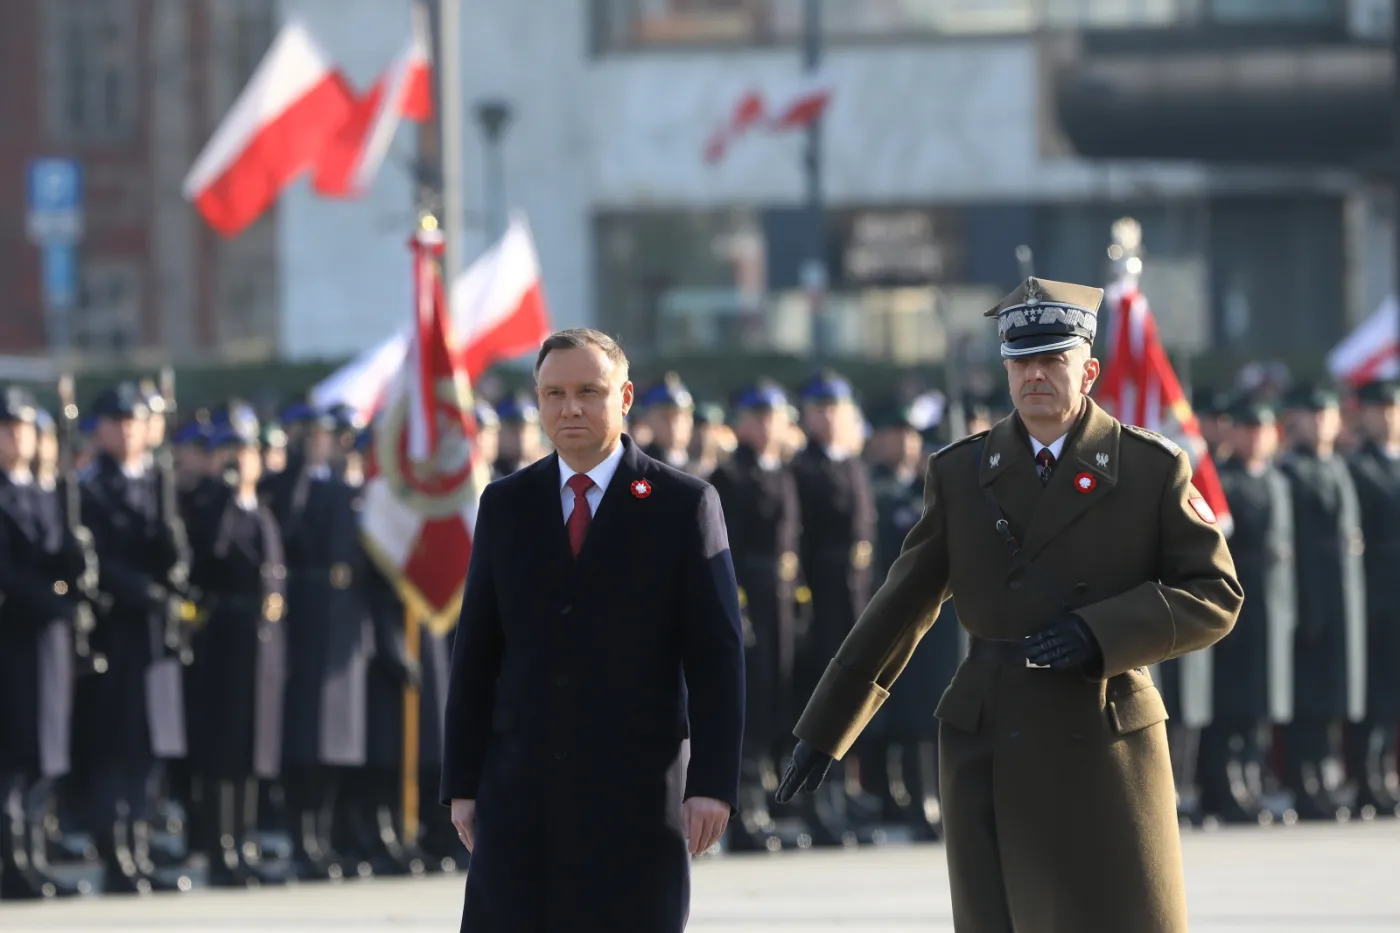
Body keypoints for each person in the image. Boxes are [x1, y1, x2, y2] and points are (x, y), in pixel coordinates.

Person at [777, 277, 1242, 933]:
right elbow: (900, 605)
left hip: (1105, 732)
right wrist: (825, 728)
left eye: (1053, 357)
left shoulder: (1148, 468)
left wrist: (1101, 631)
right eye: (1022, 361)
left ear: (1090, 370)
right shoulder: (962, 472)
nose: (1036, 375)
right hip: (994, 732)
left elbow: (1216, 593)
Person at [440, 328, 744, 933]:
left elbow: (717, 656)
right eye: (553, 393)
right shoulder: (507, 504)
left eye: (588, 391)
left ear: (625, 396)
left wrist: (711, 784)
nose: (570, 408)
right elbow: (476, 652)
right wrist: (463, 784)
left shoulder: (681, 503)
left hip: (633, 795)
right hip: (519, 793)